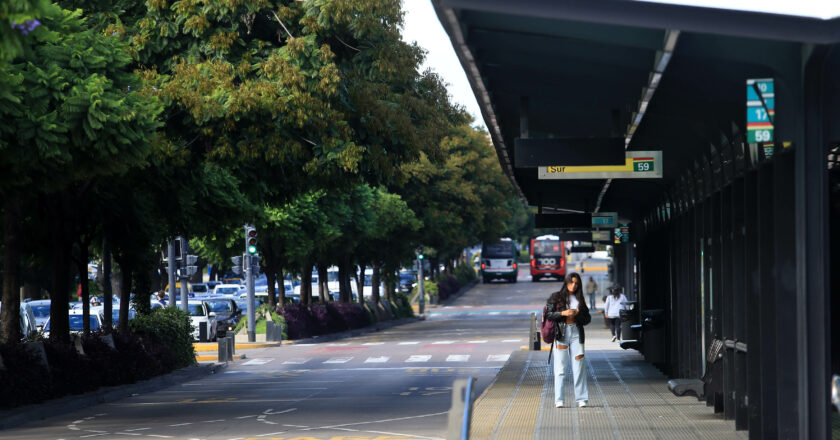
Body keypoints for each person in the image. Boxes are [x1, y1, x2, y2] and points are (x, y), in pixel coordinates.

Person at [544, 272, 591, 408]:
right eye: (571, 282)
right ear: (566, 282)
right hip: (561, 335)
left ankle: (581, 399)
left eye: (576, 283)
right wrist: (563, 313)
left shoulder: (580, 299)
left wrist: (577, 314)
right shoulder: (556, 297)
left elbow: (587, 319)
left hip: (577, 333)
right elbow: (549, 314)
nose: (574, 285)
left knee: (579, 367)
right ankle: (559, 400)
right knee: (560, 368)